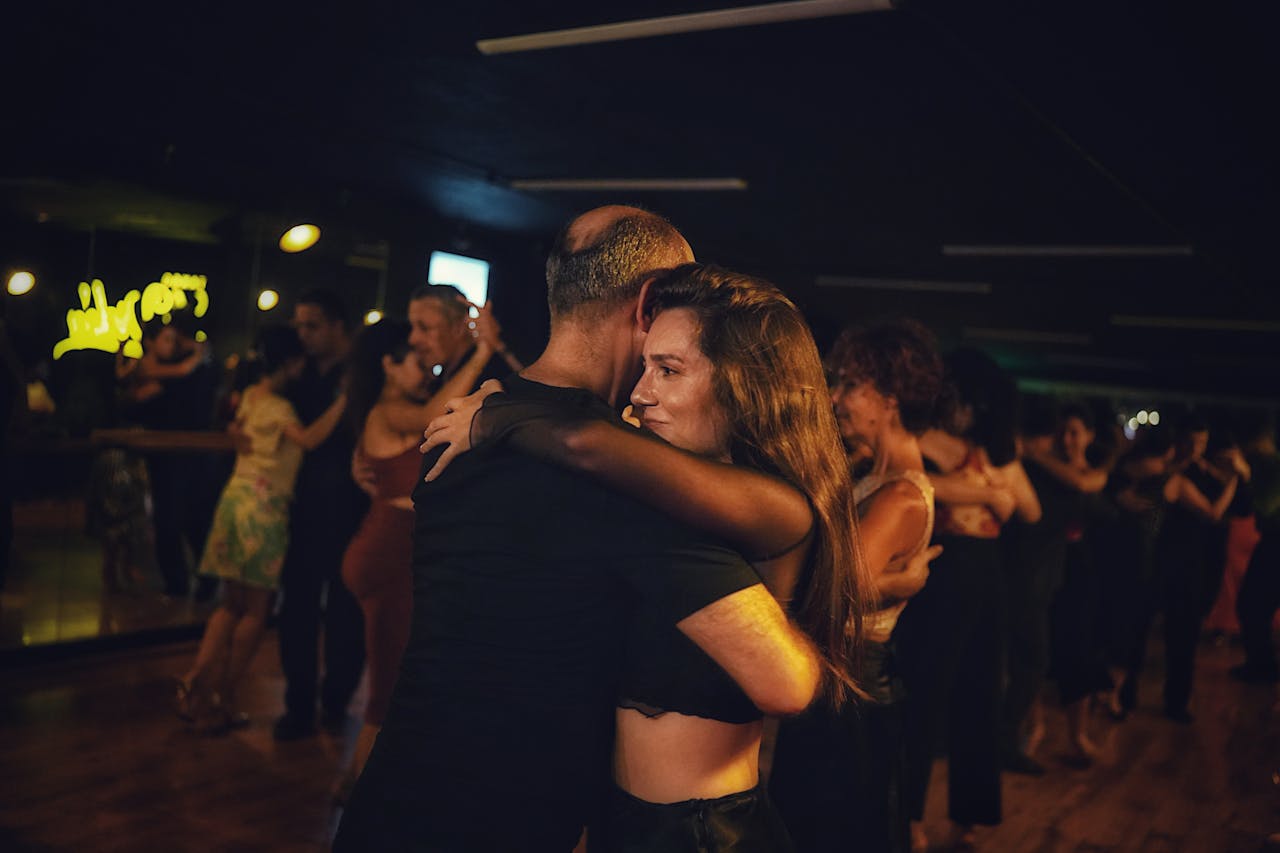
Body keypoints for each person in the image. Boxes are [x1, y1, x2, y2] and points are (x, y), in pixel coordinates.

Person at [335, 208, 830, 852]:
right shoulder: (623, 477)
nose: (652, 388)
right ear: (650, 301)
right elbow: (785, 678)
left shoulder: (465, 425)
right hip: (507, 820)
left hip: (396, 790)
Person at [769, 320, 946, 853]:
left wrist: (895, 581)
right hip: (842, 679)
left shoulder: (901, 497)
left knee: (828, 828)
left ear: (889, 399)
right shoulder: (873, 473)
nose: (837, 396)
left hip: (853, 688)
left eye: (850, 384)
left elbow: (834, 589)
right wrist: (901, 580)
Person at [900, 348, 1041, 851]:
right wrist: (982, 492)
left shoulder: (995, 448)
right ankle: (909, 818)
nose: (964, 409)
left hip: (987, 576)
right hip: (946, 567)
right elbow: (911, 481)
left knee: (981, 694)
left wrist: (993, 480)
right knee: (926, 695)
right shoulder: (925, 437)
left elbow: (1028, 509)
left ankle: (969, 818)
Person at [174, 325, 347, 733]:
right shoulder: (282, 409)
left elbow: (237, 433)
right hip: (263, 509)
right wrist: (344, 402)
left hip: (233, 502)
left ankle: (196, 679)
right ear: (290, 363)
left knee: (228, 604)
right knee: (256, 610)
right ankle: (224, 698)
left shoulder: (251, 397)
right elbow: (308, 440)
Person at [273, 290, 368, 741]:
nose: (302, 334)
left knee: (347, 610)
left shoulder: (365, 373)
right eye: (299, 326)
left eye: (311, 326)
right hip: (304, 506)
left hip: (352, 506)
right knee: (297, 609)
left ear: (336, 325)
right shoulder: (297, 373)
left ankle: (334, 700)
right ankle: (298, 704)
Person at [1024, 403, 1114, 762]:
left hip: (1083, 574)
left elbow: (1101, 507)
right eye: (1063, 430)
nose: (1067, 438)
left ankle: (1077, 736)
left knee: (1079, 653)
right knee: (1037, 652)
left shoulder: (1092, 476)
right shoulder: (1045, 472)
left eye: (1075, 431)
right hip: (1046, 570)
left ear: (1089, 436)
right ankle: (1036, 727)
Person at [1156, 415, 1240, 721]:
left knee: (1184, 633)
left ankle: (1174, 698)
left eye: (1201, 442)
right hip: (1175, 563)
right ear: (1179, 441)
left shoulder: (1199, 470)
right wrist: (1233, 480)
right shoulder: (1174, 473)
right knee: (1180, 633)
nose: (1196, 448)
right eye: (1191, 441)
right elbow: (1213, 513)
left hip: (1194, 561)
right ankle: (1174, 701)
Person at [1232, 416, 1280, 683]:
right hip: (1272, 542)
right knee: (1253, 605)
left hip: (1275, 543)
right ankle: (1261, 665)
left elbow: (1263, 507)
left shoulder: (1272, 467)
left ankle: (1262, 668)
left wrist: (1246, 477)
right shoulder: (1267, 465)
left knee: (1253, 605)